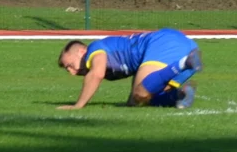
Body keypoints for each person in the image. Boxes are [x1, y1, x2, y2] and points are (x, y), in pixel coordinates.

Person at [57, 28, 203, 110]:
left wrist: (78, 105)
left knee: (140, 92)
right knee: (137, 100)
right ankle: (179, 95)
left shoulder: (94, 48)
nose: (72, 72)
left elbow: (97, 74)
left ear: (81, 52)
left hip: (163, 42)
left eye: (69, 65)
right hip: (186, 45)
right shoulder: (107, 52)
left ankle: (183, 63)